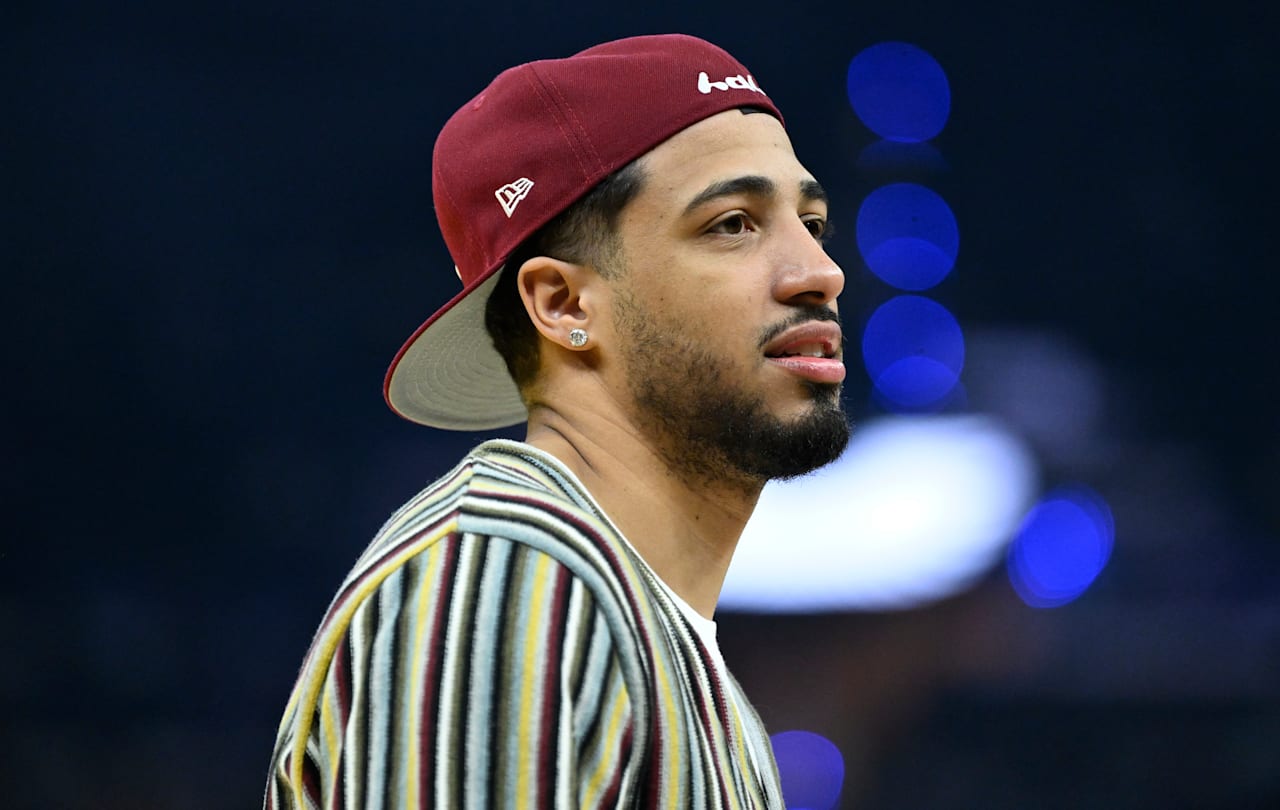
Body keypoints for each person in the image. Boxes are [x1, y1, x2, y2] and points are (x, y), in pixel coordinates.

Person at [265, 33, 849, 809]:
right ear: (564, 304)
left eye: (812, 223)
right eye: (732, 224)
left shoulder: (637, 627)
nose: (819, 272)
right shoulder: (509, 569)